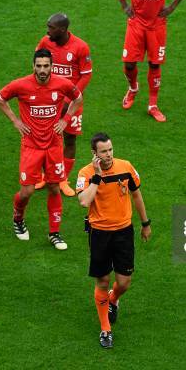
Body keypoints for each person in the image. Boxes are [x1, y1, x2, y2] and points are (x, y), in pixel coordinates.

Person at [0, 49, 83, 251]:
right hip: (31, 146)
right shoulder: (21, 85)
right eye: (39, 66)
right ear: (33, 66)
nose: (42, 70)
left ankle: (54, 233)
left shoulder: (62, 84)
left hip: (53, 145)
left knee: (53, 187)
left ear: (52, 66)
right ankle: (18, 219)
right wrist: (15, 121)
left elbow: (78, 99)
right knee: (27, 192)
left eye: (46, 66)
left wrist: (65, 120)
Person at [76, 132, 151, 348]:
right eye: (103, 151)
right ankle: (105, 329)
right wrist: (97, 176)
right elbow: (84, 201)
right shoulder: (86, 173)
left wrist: (145, 223)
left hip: (123, 232)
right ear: (94, 154)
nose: (108, 155)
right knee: (103, 280)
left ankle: (113, 299)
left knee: (124, 282)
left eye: (110, 150)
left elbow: (137, 195)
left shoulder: (126, 167)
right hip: (99, 233)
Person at [113, 0, 186, 122]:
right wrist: (124, 4)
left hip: (157, 26)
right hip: (136, 23)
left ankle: (152, 106)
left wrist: (172, 7)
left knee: (154, 64)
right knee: (129, 64)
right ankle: (133, 88)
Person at [34, 13, 93, 197]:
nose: (47, 30)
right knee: (46, 138)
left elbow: (86, 75)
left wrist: (71, 99)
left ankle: (62, 178)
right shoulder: (45, 42)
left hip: (72, 103)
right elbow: (36, 63)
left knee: (69, 139)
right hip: (49, 101)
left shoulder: (80, 47)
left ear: (62, 30)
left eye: (51, 27)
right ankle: (45, 175)